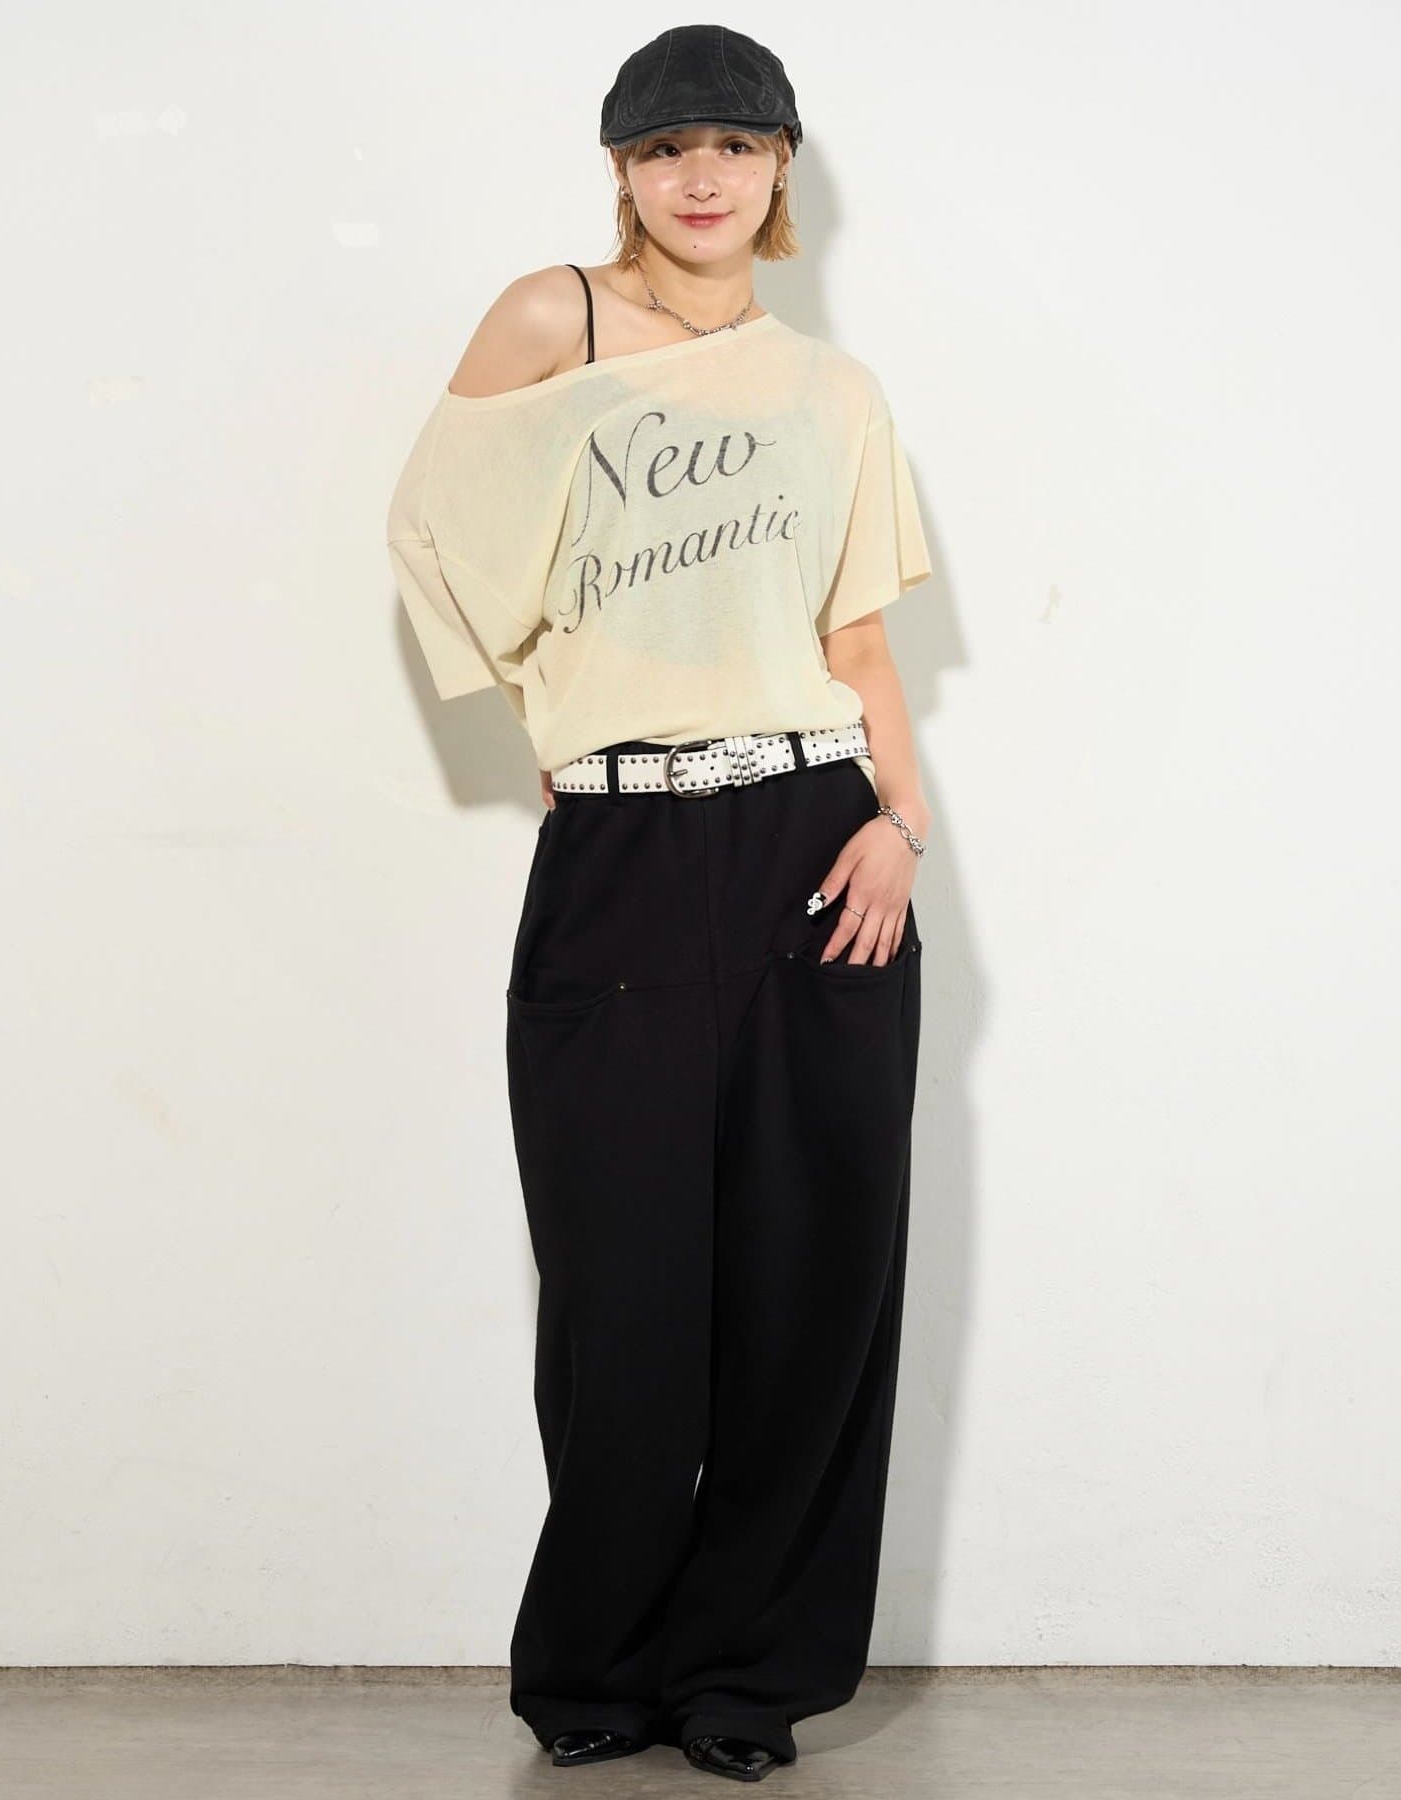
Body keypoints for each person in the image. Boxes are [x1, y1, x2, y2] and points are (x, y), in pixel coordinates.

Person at [385, 24, 933, 1784]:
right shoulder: (553, 318)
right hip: (622, 857)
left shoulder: (833, 390)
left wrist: (901, 824)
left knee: (809, 1280)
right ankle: (599, 1663)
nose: (705, 177)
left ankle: (746, 1679)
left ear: (782, 171)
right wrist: (549, 717)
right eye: (668, 147)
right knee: (620, 1285)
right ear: (620, 170)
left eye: (739, 146)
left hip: (818, 845)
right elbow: (432, 535)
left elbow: (860, 640)